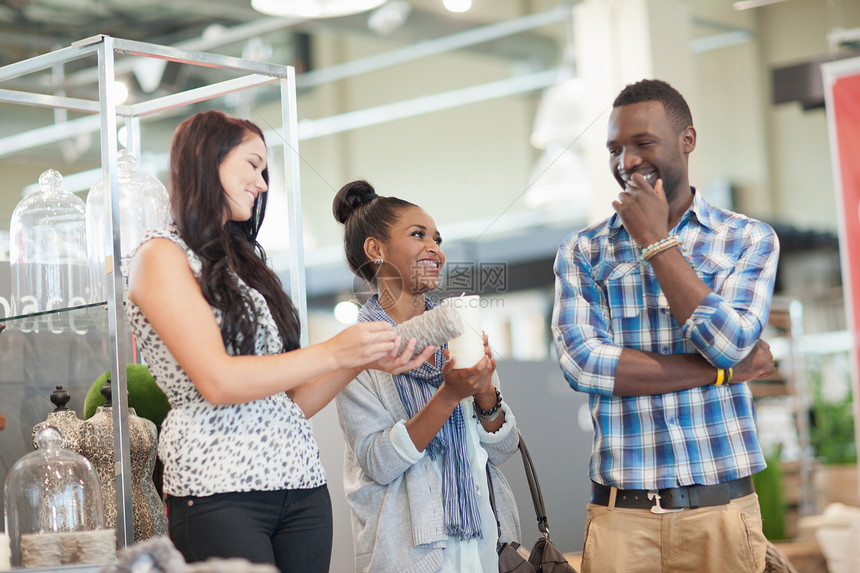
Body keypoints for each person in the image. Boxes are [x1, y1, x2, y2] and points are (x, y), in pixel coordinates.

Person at [125, 110, 432, 572]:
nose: (262, 183)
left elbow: (291, 402)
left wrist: (361, 357)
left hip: (302, 487)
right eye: (252, 165)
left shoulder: (241, 267)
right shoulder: (159, 256)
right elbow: (217, 381)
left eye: (264, 170)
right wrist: (334, 350)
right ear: (209, 161)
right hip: (219, 489)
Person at [551, 79, 780, 573]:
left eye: (643, 143)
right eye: (615, 149)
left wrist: (656, 241)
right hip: (622, 520)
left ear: (687, 140)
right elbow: (586, 366)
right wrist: (722, 373)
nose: (626, 162)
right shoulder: (583, 251)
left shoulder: (746, 239)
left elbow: (728, 342)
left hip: (721, 513)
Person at [332, 180, 522, 573]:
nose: (435, 248)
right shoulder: (358, 350)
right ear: (376, 249)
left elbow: (503, 450)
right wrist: (449, 396)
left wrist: (485, 394)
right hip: (408, 555)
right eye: (418, 235)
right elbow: (379, 461)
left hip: (484, 544)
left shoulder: (459, 331)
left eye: (438, 238)